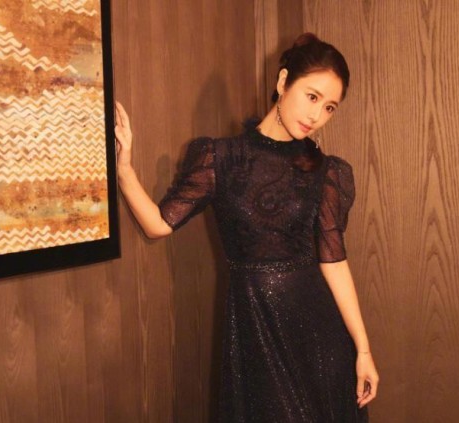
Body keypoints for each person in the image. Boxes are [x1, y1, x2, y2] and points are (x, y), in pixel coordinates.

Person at [115, 33, 379, 422]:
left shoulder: (326, 172)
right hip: (255, 331)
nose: (316, 115)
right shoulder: (221, 158)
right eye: (311, 96)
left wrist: (363, 349)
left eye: (329, 108)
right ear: (283, 81)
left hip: (320, 338)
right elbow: (157, 224)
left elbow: (334, 261)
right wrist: (124, 170)